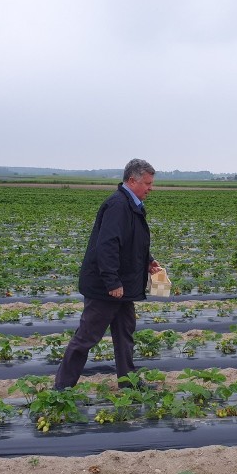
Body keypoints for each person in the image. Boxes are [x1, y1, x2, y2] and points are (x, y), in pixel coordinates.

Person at [54, 158, 162, 389]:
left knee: (125, 335)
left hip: (124, 286)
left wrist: (148, 261)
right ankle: (61, 388)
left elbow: (132, 241)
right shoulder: (118, 205)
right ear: (132, 181)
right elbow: (107, 245)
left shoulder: (131, 204)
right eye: (148, 183)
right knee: (86, 338)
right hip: (107, 288)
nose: (151, 188)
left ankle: (128, 381)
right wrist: (112, 281)